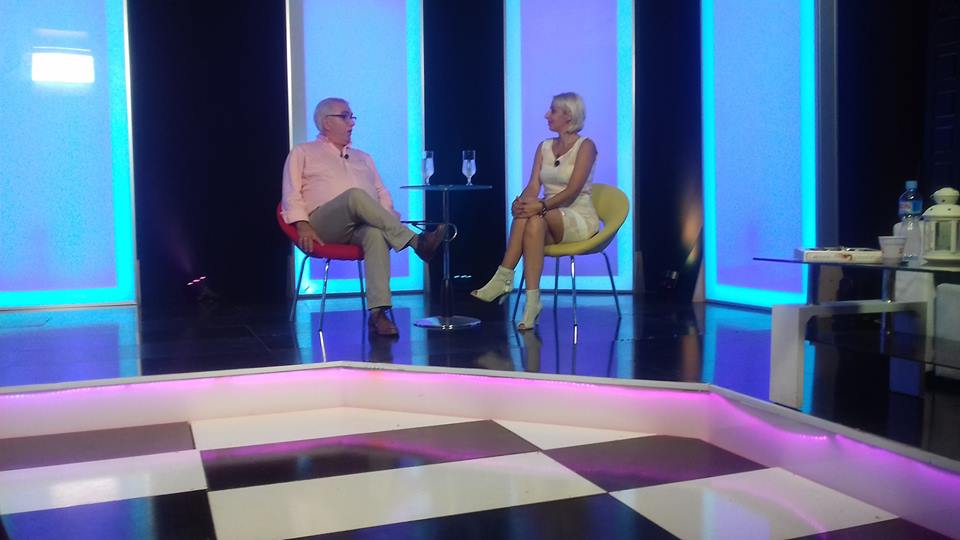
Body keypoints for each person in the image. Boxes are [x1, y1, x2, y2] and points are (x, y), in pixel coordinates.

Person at [281, 97, 445, 337]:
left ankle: (378, 313)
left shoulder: (363, 157)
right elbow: (290, 193)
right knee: (355, 196)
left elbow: (382, 193)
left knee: (376, 234)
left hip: (359, 227)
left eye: (352, 116)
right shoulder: (303, 152)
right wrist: (302, 225)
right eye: (345, 116)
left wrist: (387, 222)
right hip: (321, 226)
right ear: (326, 123)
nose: (352, 122)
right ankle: (416, 242)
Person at [471, 92, 599, 331]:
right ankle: (532, 302)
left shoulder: (586, 146)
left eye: (553, 111)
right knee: (531, 220)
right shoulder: (544, 147)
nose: (546, 115)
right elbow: (533, 186)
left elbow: (573, 190)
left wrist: (540, 205)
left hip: (578, 217)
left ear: (569, 115)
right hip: (546, 216)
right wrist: (521, 202)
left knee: (534, 215)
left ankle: (504, 277)